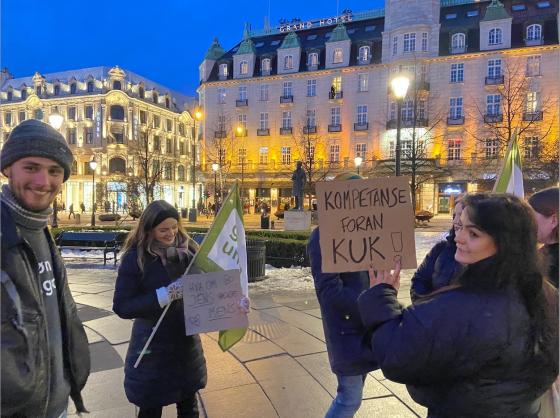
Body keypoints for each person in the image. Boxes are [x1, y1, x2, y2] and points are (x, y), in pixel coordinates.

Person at [358, 193, 559, 417]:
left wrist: (381, 299)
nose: (459, 237)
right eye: (460, 226)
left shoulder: (461, 307)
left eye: (473, 233)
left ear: (505, 243)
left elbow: (397, 355)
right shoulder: (547, 294)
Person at [1, 119, 90, 417]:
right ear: (7, 168)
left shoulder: (41, 232)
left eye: (54, 171)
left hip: (57, 404)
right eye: (31, 167)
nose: (43, 182)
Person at [113, 200, 207, 418]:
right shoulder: (136, 258)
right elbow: (122, 306)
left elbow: (209, 288)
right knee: (151, 407)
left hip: (185, 345)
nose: (171, 233)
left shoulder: (189, 249)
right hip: (152, 346)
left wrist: (232, 304)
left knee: (189, 405)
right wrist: (166, 295)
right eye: (163, 229)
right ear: (149, 229)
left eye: (174, 227)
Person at [308, 172, 378, 418]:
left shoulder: (367, 230)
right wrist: (369, 304)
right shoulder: (322, 235)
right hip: (344, 326)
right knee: (349, 398)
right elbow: (328, 291)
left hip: (368, 325)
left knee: (355, 394)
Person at [410, 198, 464, 302]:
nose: (456, 221)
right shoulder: (440, 249)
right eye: (454, 215)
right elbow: (419, 280)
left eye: (461, 215)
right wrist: (425, 308)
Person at [528, 187, 559, 288]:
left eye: (531, 217)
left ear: (554, 220)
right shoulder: (544, 252)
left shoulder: (554, 262)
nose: (527, 223)